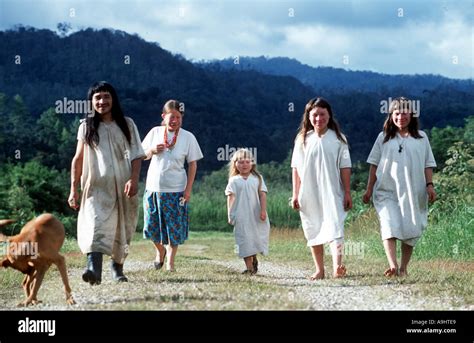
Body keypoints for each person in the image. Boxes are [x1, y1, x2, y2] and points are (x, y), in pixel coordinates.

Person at [68, 81, 145, 284]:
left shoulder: (127, 124)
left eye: (106, 97)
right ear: (92, 102)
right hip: (95, 188)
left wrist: (134, 179)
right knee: (95, 224)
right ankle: (93, 270)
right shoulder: (86, 127)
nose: (102, 101)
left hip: (124, 187)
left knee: (122, 227)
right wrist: (73, 189)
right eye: (98, 97)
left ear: (113, 100)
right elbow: (78, 159)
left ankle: (117, 269)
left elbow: (137, 155)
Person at [363, 97, 436, 277]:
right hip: (386, 191)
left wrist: (430, 185)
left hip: (414, 191)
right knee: (388, 225)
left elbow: (428, 164)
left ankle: (403, 268)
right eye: (396, 113)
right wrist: (369, 189)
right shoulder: (383, 137)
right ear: (391, 116)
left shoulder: (421, 137)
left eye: (404, 113)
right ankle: (393, 265)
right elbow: (374, 164)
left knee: (410, 228)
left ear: (411, 115)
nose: (400, 117)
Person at [291, 97, 352, 280]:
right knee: (312, 227)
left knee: (335, 226)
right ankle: (319, 269)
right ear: (308, 117)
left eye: (322, 114)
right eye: (315, 115)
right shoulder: (302, 139)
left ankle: (337, 267)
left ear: (329, 115)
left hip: (332, 191)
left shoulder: (339, 139)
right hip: (309, 192)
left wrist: (347, 191)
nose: (319, 118)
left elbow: (345, 166)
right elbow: (295, 167)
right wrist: (295, 193)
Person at [141, 100, 203, 272]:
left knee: (174, 228)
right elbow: (140, 155)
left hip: (176, 190)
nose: (175, 120)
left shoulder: (188, 137)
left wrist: (188, 190)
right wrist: (152, 151)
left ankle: (170, 262)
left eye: (178, 117)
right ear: (163, 116)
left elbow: (193, 164)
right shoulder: (155, 132)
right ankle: (160, 250)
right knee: (150, 225)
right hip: (153, 188)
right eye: (171, 117)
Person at [225, 148, 270, 275]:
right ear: (235, 164)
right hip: (241, 214)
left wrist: (263, 210)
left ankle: (253, 257)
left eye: (246, 162)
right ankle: (249, 268)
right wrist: (230, 214)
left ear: (252, 163)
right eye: (240, 162)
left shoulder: (257, 178)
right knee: (243, 239)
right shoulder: (234, 180)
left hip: (255, 214)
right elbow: (230, 197)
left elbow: (262, 195)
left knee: (255, 237)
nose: (244, 165)